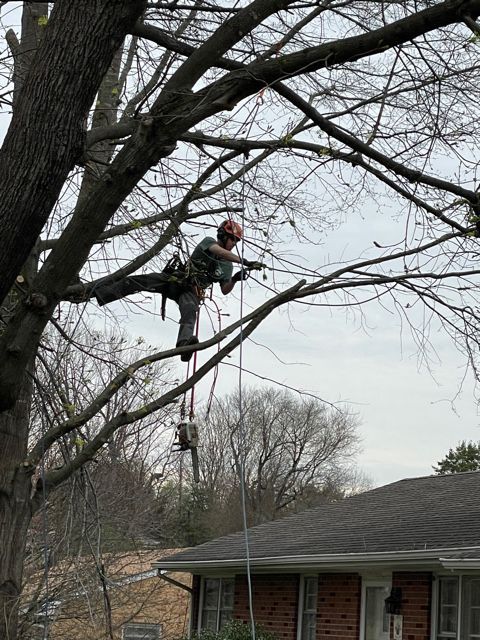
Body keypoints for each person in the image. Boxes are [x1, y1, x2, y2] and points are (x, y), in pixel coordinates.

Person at [93, 220, 264, 361]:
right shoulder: (209, 242)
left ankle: (184, 345)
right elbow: (217, 251)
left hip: (190, 291)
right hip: (176, 279)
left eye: (236, 241)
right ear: (222, 235)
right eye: (232, 239)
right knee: (138, 281)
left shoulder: (227, 265)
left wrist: (234, 279)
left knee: (190, 311)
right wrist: (244, 261)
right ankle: (100, 293)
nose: (234, 244)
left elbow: (225, 290)